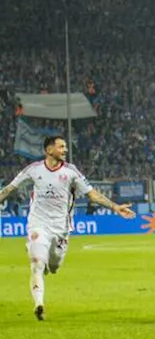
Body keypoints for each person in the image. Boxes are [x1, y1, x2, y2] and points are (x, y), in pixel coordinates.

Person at [0, 135, 136, 320]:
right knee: (37, 264)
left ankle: (45, 258)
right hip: (38, 224)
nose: (65, 150)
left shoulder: (71, 172)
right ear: (49, 150)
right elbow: (10, 189)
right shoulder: (34, 170)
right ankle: (39, 304)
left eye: (65, 147)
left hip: (61, 229)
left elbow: (92, 195)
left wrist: (114, 207)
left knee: (53, 266)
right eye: (61, 147)